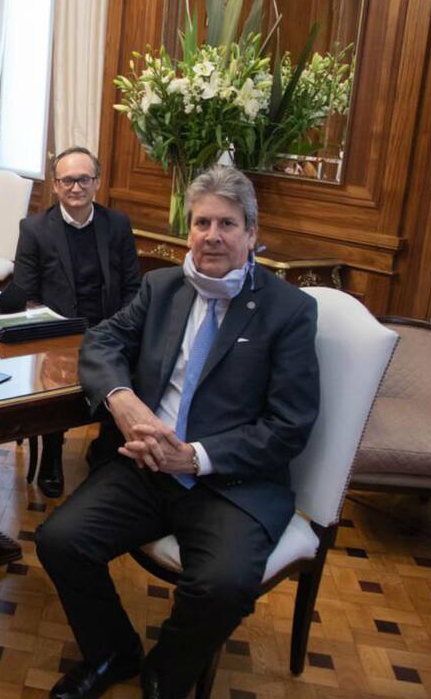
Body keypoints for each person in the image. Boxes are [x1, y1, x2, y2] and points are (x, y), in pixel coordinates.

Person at [36, 166, 319, 699]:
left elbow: (289, 427)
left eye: (227, 224)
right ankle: (113, 652)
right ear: (188, 231)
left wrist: (195, 458)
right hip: (145, 466)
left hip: (231, 482)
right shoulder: (162, 286)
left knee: (222, 586)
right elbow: (100, 342)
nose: (212, 235)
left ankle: (166, 674)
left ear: (252, 234)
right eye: (201, 222)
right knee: (59, 540)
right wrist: (123, 403)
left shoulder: (289, 311)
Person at [0, 147, 141, 497]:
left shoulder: (117, 224)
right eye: (67, 180)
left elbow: (134, 286)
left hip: (110, 327)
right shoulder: (34, 228)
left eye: (83, 179)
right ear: (56, 185)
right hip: (59, 333)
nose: (75, 187)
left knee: (136, 368)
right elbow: (27, 290)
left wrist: (123, 329)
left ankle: (105, 451)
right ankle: (52, 453)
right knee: (53, 377)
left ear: (97, 182)